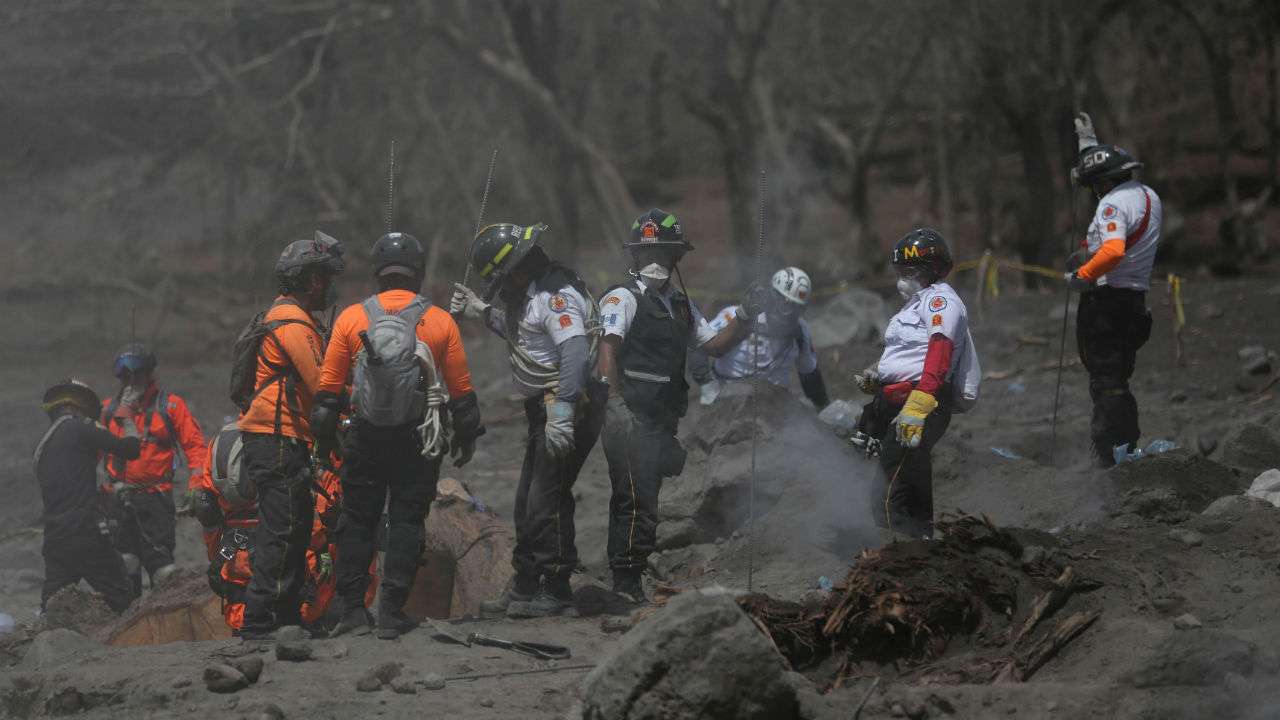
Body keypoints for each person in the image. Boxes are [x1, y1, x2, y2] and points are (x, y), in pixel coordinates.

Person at [315, 231, 484, 640]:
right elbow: (462, 396)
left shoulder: (352, 318)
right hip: (418, 439)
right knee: (408, 520)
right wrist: (465, 440)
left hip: (365, 436)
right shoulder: (440, 321)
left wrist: (324, 445)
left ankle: (353, 611)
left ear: (378, 273)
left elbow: (326, 397)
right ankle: (392, 613)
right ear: (419, 273)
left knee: (358, 520)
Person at [451, 222, 606, 618]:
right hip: (545, 408)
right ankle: (524, 585)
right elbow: (526, 337)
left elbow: (572, 351)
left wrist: (565, 410)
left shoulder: (556, 298)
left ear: (517, 270)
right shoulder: (533, 297)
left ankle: (554, 589)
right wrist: (483, 313)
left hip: (565, 404)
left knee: (546, 501)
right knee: (527, 502)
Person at [596, 209, 750, 601]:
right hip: (630, 416)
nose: (656, 262)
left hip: (662, 421)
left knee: (647, 498)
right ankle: (626, 584)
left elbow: (713, 345)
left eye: (664, 253)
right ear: (633, 256)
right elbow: (607, 350)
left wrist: (747, 316)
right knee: (634, 500)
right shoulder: (622, 298)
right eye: (648, 253)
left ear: (677, 258)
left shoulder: (681, 305)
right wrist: (613, 404)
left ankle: (631, 575)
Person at [237, 232, 345, 639]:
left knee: (295, 526)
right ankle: (260, 622)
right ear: (312, 280)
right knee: (281, 529)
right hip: (275, 438)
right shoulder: (293, 324)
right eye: (325, 277)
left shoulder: (285, 317)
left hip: (280, 438)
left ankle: (285, 618)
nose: (330, 287)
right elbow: (323, 384)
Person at [192, 423, 376, 634]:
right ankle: (344, 611)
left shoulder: (222, 441)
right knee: (354, 523)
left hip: (237, 564)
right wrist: (323, 544)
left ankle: (255, 621)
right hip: (298, 575)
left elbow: (207, 506)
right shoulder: (296, 437)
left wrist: (218, 554)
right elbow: (315, 505)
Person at [855, 228, 975, 539]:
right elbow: (908, 352)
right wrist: (878, 374)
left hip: (921, 403)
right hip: (897, 403)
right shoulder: (912, 304)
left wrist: (918, 406)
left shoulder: (940, 302)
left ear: (929, 269)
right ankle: (922, 543)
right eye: (900, 270)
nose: (901, 278)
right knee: (913, 482)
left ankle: (897, 553)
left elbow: (939, 351)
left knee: (888, 494)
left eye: (908, 271)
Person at [1066, 112, 1162, 467]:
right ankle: (1127, 447)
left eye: (1093, 185)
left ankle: (1109, 455)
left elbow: (1113, 250)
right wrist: (1088, 145)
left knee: (1105, 382)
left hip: (1107, 303)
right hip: (1135, 301)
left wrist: (1083, 275)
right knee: (1119, 378)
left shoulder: (1112, 204)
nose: (1092, 192)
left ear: (1102, 183)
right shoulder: (1145, 195)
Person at [100, 343, 208, 595]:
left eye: (136, 375)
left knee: (161, 564)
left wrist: (196, 485)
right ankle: (125, 620)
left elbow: (195, 448)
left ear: (149, 375)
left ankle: (165, 618)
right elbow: (91, 452)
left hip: (155, 496)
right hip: (118, 496)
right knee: (125, 561)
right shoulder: (108, 410)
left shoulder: (169, 406)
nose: (130, 382)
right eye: (125, 377)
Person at [35, 379, 139, 613]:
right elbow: (131, 449)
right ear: (77, 408)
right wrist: (127, 416)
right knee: (121, 597)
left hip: (55, 537)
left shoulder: (42, 446)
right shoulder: (80, 429)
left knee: (52, 605)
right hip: (85, 533)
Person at [696, 266, 829, 410]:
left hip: (774, 407)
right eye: (785, 305)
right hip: (726, 401)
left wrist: (824, 408)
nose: (788, 314)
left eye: (796, 308)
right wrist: (706, 385)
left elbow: (810, 375)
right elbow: (700, 345)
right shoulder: (735, 316)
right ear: (772, 297)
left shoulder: (800, 331)